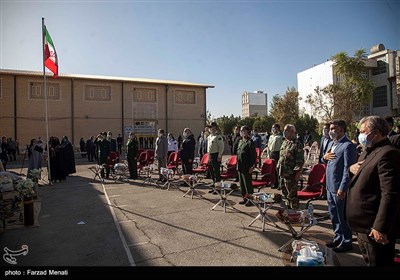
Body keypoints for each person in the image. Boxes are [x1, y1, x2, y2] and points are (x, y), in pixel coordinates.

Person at [347, 116, 400, 266]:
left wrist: (380, 226)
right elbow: (361, 171)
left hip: (373, 227)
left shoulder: (388, 153)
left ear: (375, 133)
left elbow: (390, 193)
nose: (360, 135)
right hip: (362, 226)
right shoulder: (368, 151)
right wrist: (350, 169)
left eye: (363, 131)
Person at [322, 119, 357, 253]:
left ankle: (347, 241)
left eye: (333, 129)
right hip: (330, 185)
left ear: (341, 130)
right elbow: (324, 160)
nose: (330, 131)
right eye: (330, 129)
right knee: (333, 214)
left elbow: (348, 169)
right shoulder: (332, 143)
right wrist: (324, 157)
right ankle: (338, 237)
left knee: (342, 215)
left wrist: (343, 187)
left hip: (339, 187)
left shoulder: (348, 145)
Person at [276, 124, 304, 209]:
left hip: (291, 175)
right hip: (283, 173)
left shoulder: (297, 144)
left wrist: (297, 173)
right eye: (284, 130)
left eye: (286, 130)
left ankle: (295, 213)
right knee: (285, 194)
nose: (284, 132)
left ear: (292, 132)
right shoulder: (285, 142)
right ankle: (288, 211)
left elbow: (300, 161)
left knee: (292, 195)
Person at [236, 126, 257, 207]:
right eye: (241, 130)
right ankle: (244, 198)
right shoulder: (240, 141)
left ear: (247, 132)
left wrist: (252, 166)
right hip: (240, 166)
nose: (241, 132)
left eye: (243, 130)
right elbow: (238, 154)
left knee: (248, 184)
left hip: (247, 166)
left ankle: (250, 200)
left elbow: (253, 156)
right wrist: (237, 164)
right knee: (242, 184)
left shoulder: (250, 142)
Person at [262, 123, 283, 189]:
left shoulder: (280, 137)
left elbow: (282, 147)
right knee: (272, 170)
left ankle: (279, 184)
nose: (273, 129)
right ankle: (273, 182)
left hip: (277, 153)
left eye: (274, 127)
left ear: (278, 129)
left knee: (278, 170)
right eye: (272, 127)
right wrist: (268, 154)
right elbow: (268, 146)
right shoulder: (271, 136)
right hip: (271, 153)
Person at [207, 122, 224, 193]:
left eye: (211, 127)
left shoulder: (218, 136)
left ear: (215, 128)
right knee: (211, 172)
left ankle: (218, 188)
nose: (210, 129)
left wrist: (219, 156)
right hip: (210, 155)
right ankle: (214, 186)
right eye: (209, 127)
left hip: (216, 155)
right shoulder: (209, 137)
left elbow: (221, 147)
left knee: (216, 172)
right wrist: (208, 156)